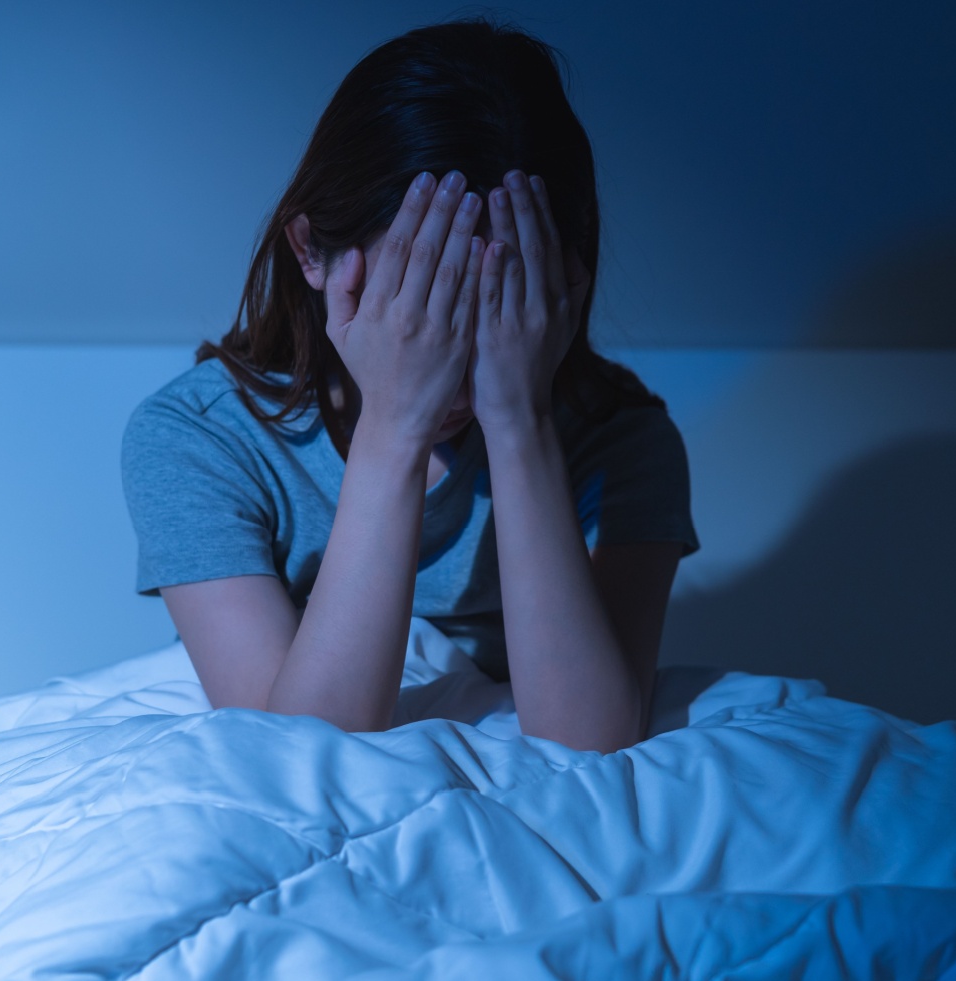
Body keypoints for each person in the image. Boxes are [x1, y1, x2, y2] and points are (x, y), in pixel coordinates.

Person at [122, 17, 699, 752]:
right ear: (313, 252)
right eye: (416, 298)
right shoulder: (196, 439)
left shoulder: (623, 441)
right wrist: (396, 424)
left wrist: (518, 418)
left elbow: (589, 736)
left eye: (497, 299)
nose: (450, 346)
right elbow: (300, 749)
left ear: (566, 279)